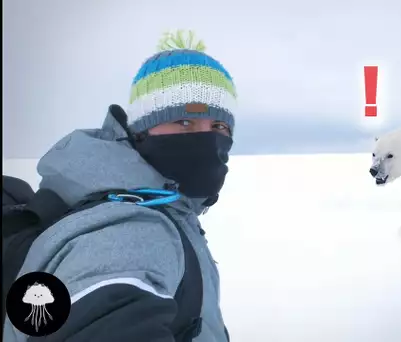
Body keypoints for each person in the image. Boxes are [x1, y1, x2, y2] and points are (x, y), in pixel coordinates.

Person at [3, 31, 236, 342]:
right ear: (141, 129)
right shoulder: (133, 226)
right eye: (184, 122)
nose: (206, 137)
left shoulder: (170, 205)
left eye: (219, 126)